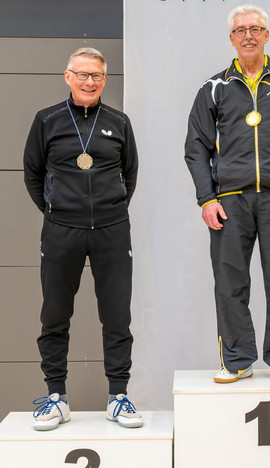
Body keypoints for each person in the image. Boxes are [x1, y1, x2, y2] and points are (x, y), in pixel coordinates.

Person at [185, 4, 270, 384]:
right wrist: (207, 198)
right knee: (230, 284)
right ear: (231, 38)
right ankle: (237, 360)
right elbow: (196, 147)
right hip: (230, 201)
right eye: (241, 30)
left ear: (266, 35)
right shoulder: (214, 88)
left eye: (255, 29)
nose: (249, 35)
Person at [24, 47, 143, 430]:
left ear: (105, 80)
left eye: (96, 76)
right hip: (62, 230)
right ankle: (56, 398)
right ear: (68, 77)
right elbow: (32, 173)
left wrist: (109, 208)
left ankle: (118, 396)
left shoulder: (119, 122)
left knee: (117, 316)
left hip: (112, 229)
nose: (89, 82)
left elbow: (130, 173)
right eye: (82, 74)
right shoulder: (47, 120)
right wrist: (57, 210)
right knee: (55, 315)